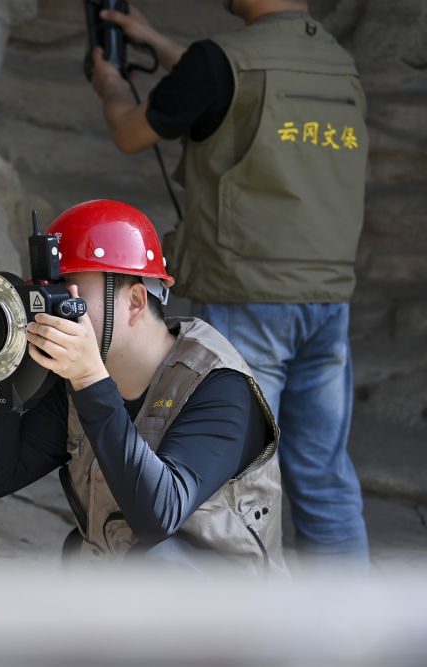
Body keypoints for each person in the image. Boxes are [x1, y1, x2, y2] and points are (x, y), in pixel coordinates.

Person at [88, 0, 370, 568]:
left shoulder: (222, 61)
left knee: (229, 487)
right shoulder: (337, 62)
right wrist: (153, 38)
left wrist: (111, 83)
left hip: (248, 297)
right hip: (326, 299)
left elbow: (130, 132)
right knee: (324, 475)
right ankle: (351, 621)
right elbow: (226, 79)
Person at [0, 199, 287, 575]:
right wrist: (2, 365)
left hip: (225, 602)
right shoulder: (75, 381)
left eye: (69, 296)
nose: (54, 313)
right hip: (126, 590)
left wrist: (90, 380)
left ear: (135, 301)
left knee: (158, 562)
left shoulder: (218, 385)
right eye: (49, 296)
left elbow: (158, 517)